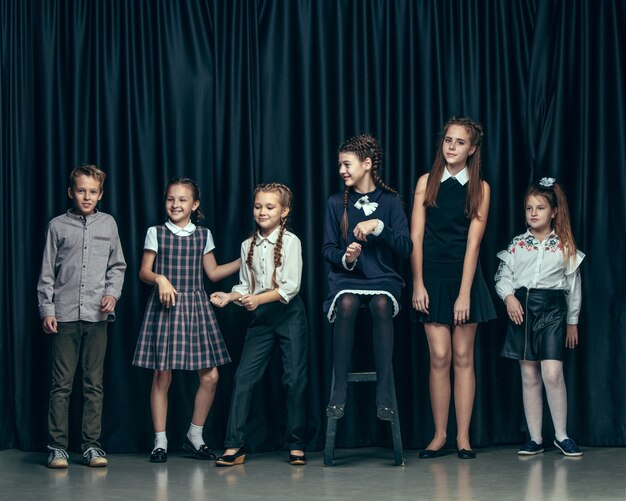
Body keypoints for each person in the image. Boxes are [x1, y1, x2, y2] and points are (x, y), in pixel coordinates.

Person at [132, 177, 240, 463]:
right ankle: (160, 441)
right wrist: (160, 279)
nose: (175, 204)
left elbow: (213, 273)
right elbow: (144, 271)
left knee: (211, 375)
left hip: (195, 308)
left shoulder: (203, 234)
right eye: (170, 198)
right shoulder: (156, 232)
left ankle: (195, 435)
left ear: (195, 204)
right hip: (165, 307)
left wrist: (246, 256)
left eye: (182, 199)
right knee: (162, 375)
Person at [411, 117, 496, 459]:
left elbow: (474, 244)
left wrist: (465, 293)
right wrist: (417, 284)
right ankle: (439, 435)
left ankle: (463, 437)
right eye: (448, 140)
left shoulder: (481, 188)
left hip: (464, 279)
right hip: (431, 277)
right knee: (440, 357)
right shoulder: (426, 182)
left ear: (472, 149)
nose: (452, 147)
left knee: (463, 357)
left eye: (460, 142)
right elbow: (416, 237)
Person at [210, 183, 308, 467]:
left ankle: (296, 444)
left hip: (289, 315)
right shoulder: (246, 245)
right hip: (262, 319)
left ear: (284, 211)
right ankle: (234, 445)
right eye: (258, 206)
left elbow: (290, 287)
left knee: (294, 380)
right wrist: (230, 296)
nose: (262, 211)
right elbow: (244, 286)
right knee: (243, 378)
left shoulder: (291, 242)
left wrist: (257, 299)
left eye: (270, 207)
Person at [38, 164, 127, 468]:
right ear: (70, 192)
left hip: (97, 317)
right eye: (81, 190)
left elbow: (118, 266)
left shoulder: (109, 224)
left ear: (100, 194)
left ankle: (91, 446)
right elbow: (47, 273)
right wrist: (47, 310)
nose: (86, 196)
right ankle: (57, 446)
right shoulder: (57, 226)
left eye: (93, 191)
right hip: (63, 315)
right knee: (61, 383)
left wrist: (112, 294)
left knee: (93, 384)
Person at [323, 134, 412, 422]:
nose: (341, 170)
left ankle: (385, 395)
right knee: (347, 304)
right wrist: (347, 258)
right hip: (348, 279)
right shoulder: (336, 203)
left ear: (367, 164)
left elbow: (405, 246)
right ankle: (338, 391)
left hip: (382, 278)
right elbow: (328, 249)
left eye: (346, 164)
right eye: (339, 165)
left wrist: (379, 227)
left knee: (382, 306)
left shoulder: (390, 201)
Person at [495, 177, 584, 457]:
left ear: (554, 212)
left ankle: (561, 435)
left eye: (540, 208)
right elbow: (502, 277)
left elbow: (574, 287)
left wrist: (572, 322)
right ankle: (535, 439)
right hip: (523, 310)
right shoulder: (518, 244)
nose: (533, 213)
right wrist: (508, 297)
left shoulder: (564, 245)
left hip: (553, 311)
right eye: (529, 208)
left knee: (552, 373)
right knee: (529, 374)